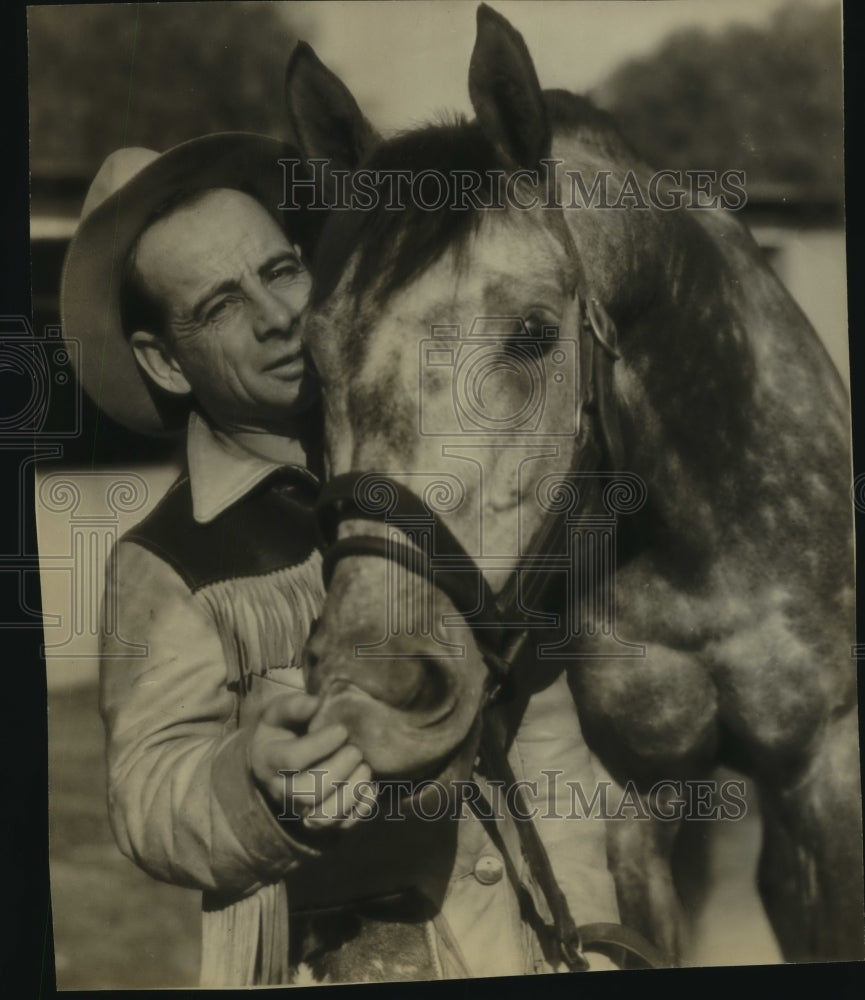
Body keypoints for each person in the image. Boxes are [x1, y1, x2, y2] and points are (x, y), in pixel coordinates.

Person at [61, 133, 621, 987]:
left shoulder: (426, 469)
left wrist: (596, 928)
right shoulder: (172, 558)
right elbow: (147, 792)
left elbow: (539, 717)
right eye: (219, 305)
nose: (277, 314)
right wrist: (251, 779)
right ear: (164, 363)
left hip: (536, 935)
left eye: (281, 270)